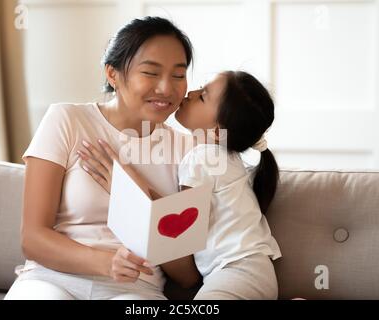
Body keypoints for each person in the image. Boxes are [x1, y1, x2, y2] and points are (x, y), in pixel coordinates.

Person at [4, 16, 199, 300]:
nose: (167, 88)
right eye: (151, 72)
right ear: (113, 74)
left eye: (178, 75)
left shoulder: (189, 150)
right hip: (53, 278)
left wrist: (131, 189)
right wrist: (105, 262)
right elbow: (32, 239)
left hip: (135, 289)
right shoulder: (67, 120)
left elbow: (186, 274)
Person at [80, 71, 282, 300]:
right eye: (199, 88)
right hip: (254, 272)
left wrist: (126, 176)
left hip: (237, 273)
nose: (191, 93)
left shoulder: (203, 159)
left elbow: (176, 226)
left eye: (203, 96)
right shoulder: (226, 158)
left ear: (217, 131)